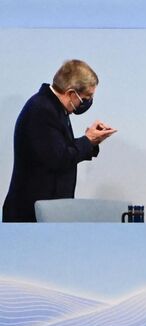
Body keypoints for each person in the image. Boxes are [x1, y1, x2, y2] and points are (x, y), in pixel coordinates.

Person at [2, 60, 117, 222]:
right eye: (87, 97)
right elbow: (59, 158)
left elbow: (58, 150)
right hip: (30, 216)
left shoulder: (53, 108)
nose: (88, 102)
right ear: (71, 93)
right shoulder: (42, 109)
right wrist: (87, 140)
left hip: (47, 213)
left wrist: (91, 141)